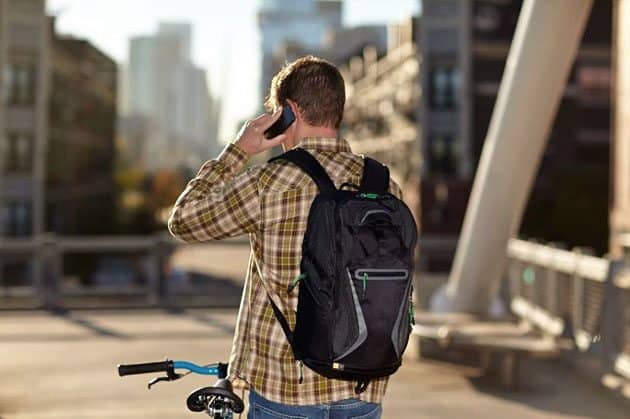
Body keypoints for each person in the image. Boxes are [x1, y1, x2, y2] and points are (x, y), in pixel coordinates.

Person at [168, 55, 402, 419]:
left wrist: (239, 150)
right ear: (337, 111)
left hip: (286, 395)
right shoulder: (385, 185)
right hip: (364, 391)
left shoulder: (270, 183)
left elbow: (183, 220)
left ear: (289, 112)